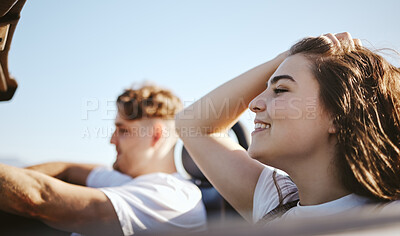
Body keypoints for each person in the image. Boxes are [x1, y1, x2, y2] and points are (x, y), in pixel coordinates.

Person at [175, 32, 400, 225]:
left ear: (339, 115)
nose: (253, 104)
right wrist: (286, 58)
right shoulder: (275, 204)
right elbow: (191, 125)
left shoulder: (389, 218)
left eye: (281, 90)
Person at [0, 84, 206, 235]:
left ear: (156, 135)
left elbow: (41, 198)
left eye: (123, 130)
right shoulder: (127, 181)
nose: (111, 140)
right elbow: (68, 168)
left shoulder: (172, 196)